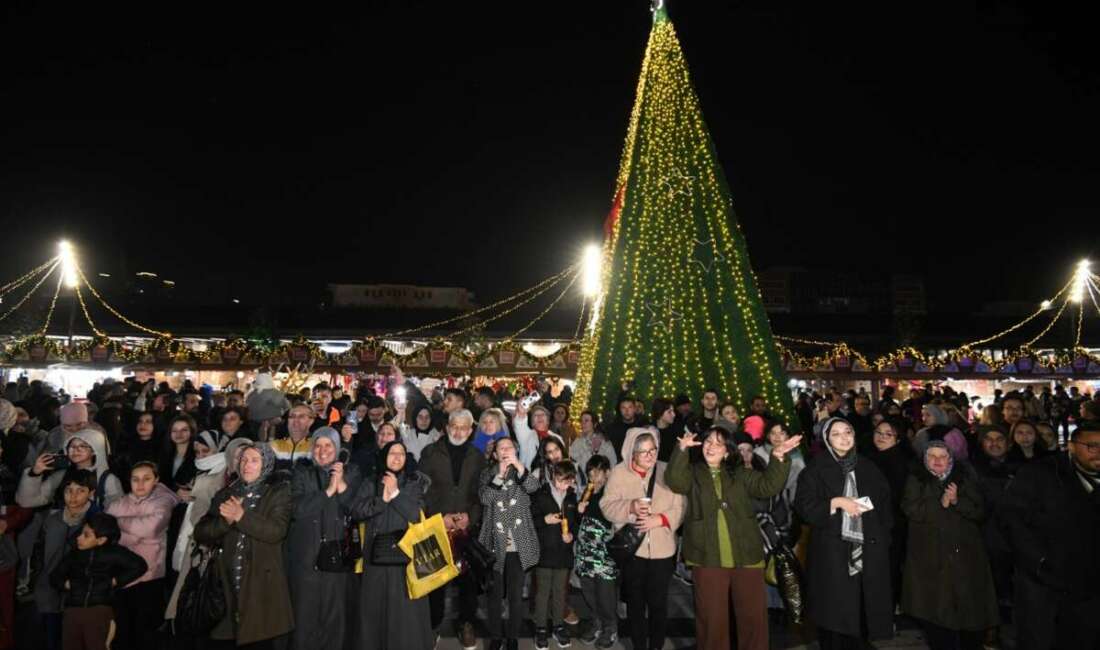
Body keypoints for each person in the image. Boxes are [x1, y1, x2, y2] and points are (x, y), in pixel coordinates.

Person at [665, 424, 800, 650]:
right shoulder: (693, 472)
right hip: (707, 555)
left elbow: (768, 486)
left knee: (753, 618)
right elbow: (675, 481)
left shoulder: (739, 473)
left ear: (727, 452)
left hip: (746, 554)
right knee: (711, 620)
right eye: (708, 442)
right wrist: (681, 450)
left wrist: (778, 457)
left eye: (718, 444)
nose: (711, 447)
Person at [794, 417, 894, 648]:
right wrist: (836, 502)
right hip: (832, 551)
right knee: (834, 613)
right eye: (836, 434)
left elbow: (884, 504)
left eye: (847, 432)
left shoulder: (868, 466)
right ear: (827, 439)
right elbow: (804, 506)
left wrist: (881, 535)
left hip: (868, 547)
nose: (843, 438)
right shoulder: (815, 469)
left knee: (862, 609)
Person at [1000, 422, 1100, 649]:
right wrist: (1040, 562)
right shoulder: (1040, 474)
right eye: (1092, 446)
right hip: (1045, 586)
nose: (1098, 453)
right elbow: (1012, 521)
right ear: (1071, 446)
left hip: (1090, 589)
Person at [193, 443, 293, 647]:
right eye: (244, 460)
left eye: (255, 460)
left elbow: (276, 531)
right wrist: (225, 522)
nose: (247, 465)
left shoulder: (278, 493)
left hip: (262, 584)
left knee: (258, 638)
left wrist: (241, 516)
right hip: (226, 584)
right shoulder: (226, 493)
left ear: (266, 464)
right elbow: (201, 532)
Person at [902, 442, 998, 650]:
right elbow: (911, 509)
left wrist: (956, 501)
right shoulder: (916, 479)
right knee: (935, 611)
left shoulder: (964, 478)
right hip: (930, 556)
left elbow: (979, 511)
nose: (937, 460)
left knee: (969, 610)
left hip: (965, 555)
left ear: (951, 459)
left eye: (942, 456)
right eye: (932, 456)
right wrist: (940, 503)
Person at [601, 428, 685, 650]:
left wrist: (661, 519)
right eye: (644, 452)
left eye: (653, 450)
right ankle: (639, 645)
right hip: (633, 552)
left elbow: (681, 505)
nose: (650, 456)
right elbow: (606, 506)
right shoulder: (619, 473)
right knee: (635, 604)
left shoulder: (667, 470)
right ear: (632, 452)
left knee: (658, 604)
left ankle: (656, 645)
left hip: (663, 551)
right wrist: (630, 507)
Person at [346, 440, 432, 650]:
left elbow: (416, 514)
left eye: (401, 453)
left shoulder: (414, 482)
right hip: (376, 557)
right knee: (375, 611)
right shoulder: (370, 482)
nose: (397, 457)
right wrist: (381, 501)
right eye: (392, 453)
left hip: (407, 560)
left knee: (406, 615)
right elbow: (356, 510)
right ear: (384, 456)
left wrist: (395, 494)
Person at [287, 428, 361, 650]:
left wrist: (342, 486)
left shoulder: (351, 472)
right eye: (318, 446)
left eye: (328, 445)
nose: (322, 451)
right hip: (306, 559)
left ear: (337, 448)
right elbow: (297, 509)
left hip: (339, 557)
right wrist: (328, 492)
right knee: (305, 618)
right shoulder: (302, 473)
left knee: (336, 619)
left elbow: (358, 509)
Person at [419, 409, 483, 649]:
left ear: (470, 430)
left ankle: (466, 624)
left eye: (463, 427)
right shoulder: (430, 453)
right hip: (437, 526)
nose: (458, 431)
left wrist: (470, 517)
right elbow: (422, 490)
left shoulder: (478, 456)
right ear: (447, 427)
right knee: (435, 582)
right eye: (454, 426)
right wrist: (439, 517)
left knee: (468, 582)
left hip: (466, 528)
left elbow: (481, 492)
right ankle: (433, 625)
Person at [106, 461, 180, 650]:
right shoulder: (119, 502)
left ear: (156, 480)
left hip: (149, 575)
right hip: (121, 575)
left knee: (145, 632)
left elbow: (151, 528)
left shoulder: (163, 501)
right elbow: (105, 529)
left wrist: (118, 524)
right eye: (135, 479)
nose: (140, 484)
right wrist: (136, 533)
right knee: (122, 631)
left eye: (146, 479)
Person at [49, 512, 147, 650]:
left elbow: (140, 566)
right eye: (81, 533)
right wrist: (67, 584)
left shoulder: (114, 553)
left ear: (101, 540)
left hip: (100, 610)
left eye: (86, 535)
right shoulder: (74, 554)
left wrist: (113, 582)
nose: (79, 537)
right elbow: (54, 576)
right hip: (73, 608)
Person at [164, 431, 228, 637]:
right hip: (189, 534)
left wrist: (194, 498)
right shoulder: (200, 471)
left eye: (205, 451)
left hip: (203, 541)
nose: (200, 456)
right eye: (197, 452)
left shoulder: (223, 473)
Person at [479, 437, 540, 650]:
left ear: (516, 451)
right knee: (494, 595)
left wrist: (519, 467)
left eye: (509, 447)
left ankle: (513, 637)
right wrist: (499, 476)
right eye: (501, 448)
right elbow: (485, 498)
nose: (505, 451)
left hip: (518, 544)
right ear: (495, 454)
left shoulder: (523, 472)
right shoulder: (487, 473)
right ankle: (496, 637)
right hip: (494, 543)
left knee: (515, 595)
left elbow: (534, 487)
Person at [24, 470, 97, 650]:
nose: (73, 496)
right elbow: (39, 552)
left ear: (91, 493)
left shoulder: (96, 522)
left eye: (80, 490)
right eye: (68, 490)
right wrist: (40, 578)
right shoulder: (52, 520)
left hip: (78, 594)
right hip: (49, 590)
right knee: (51, 636)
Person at [530, 461, 579, 650]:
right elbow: (529, 520)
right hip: (544, 552)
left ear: (572, 481)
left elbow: (575, 523)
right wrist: (545, 519)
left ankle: (558, 626)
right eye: (559, 481)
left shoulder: (572, 497)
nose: (561, 486)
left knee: (560, 592)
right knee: (542, 593)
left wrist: (571, 535)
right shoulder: (540, 494)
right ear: (552, 476)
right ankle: (540, 628)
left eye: (566, 482)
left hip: (563, 553)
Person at [865, 417, 910, 612]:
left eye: (888, 434)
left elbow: (893, 496)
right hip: (872, 523)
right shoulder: (870, 458)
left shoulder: (899, 462)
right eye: (878, 433)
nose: (882, 437)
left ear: (897, 439)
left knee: (888, 569)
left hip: (890, 526)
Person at [18, 429, 123, 511]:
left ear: (95, 450)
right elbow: (27, 501)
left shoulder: (108, 479)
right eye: (71, 446)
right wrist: (34, 473)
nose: (76, 450)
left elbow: (117, 512)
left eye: (82, 446)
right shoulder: (61, 475)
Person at [574, 455, 617, 649]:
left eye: (598, 473)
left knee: (605, 595)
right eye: (591, 474)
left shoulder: (612, 493)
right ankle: (597, 623)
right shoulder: (587, 492)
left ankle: (610, 628)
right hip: (585, 553)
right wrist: (579, 510)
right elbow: (579, 521)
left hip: (604, 555)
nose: (594, 478)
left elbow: (616, 519)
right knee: (589, 592)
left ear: (608, 473)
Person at [569, 410, 617, 486]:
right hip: (583, 483)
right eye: (581, 421)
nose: (583, 423)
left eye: (586, 421)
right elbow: (573, 461)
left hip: (602, 483)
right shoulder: (577, 441)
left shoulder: (604, 441)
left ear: (594, 424)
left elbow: (612, 462)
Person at [273, 404, 315, 471]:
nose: (295, 421)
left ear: (311, 421)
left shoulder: (317, 445)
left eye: (301, 417)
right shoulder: (274, 446)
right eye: (292, 417)